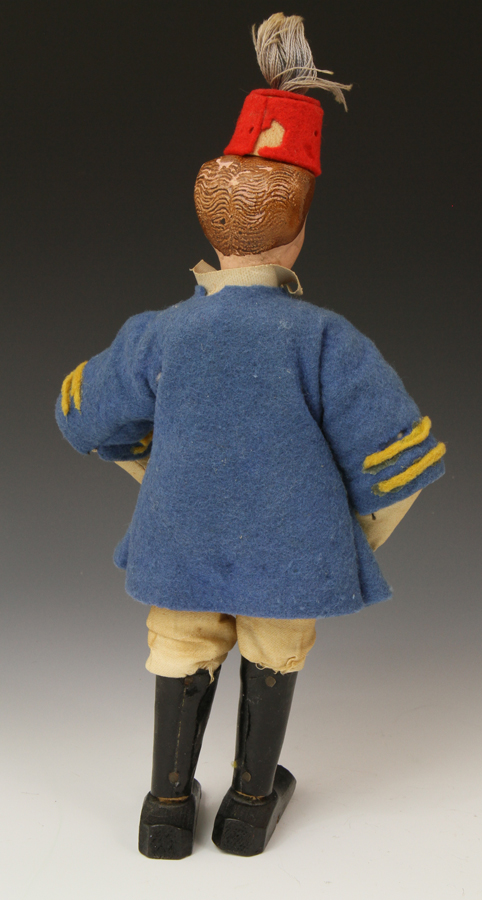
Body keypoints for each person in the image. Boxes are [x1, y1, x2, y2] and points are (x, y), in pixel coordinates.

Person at [56, 14, 445, 858]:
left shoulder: (162, 333)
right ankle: (249, 805)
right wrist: (345, 533)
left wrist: (153, 467)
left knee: (179, 651)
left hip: (180, 538)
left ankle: (165, 808)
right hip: (288, 549)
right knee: (275, 655)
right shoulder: (325, 339)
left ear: (209, 228)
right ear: (298, 230)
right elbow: (398, 457)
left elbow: (83, 413)